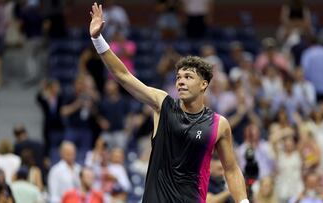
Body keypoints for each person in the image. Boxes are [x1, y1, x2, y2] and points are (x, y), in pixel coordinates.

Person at [89, 3, 248, 203]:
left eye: (188, 77)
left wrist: (243, 201)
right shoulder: (163, 104)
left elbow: (232, 170)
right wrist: (97, 39)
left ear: (203, 85)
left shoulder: (219, 124)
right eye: (178, 77)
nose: (181, 81)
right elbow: (123, 76)